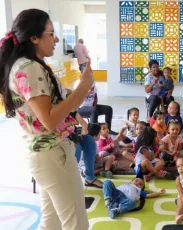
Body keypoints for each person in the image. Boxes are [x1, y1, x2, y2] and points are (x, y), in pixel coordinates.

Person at [0, 9, 93, 229]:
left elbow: (55, 104)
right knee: (77, 224)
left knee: (51, 223)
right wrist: (84, 86)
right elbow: (49, 120)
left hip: (45, 156)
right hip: (52, 156)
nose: (57, 39)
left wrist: (76, 93)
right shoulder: (29, 68)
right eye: (51, 34)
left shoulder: (28, 65)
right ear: (34, 38)